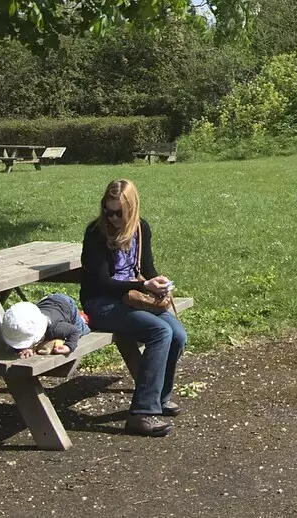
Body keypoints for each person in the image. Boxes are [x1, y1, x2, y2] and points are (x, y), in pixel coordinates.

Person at [81, 178, 188, 437]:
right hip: (101, 303)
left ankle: (160, 399)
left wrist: (158, 282)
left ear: (132, 209)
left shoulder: (141, 229)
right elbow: (103, 282)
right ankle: (141, 413)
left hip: (132, 298)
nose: (114, 218)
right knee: (160, 332)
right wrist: (144, 286)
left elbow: (146, 268)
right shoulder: (96, 233)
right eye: (109, 211)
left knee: (178, 335)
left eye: (120, 212)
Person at [1, 292, 90, 360]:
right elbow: (20, 340)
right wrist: (25, 349)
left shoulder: (55, 328)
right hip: (46, 303)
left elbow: (74, 331)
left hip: (67, 306)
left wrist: (68, 347)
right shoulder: (22, 326)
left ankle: (81, 317)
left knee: (82, 330)